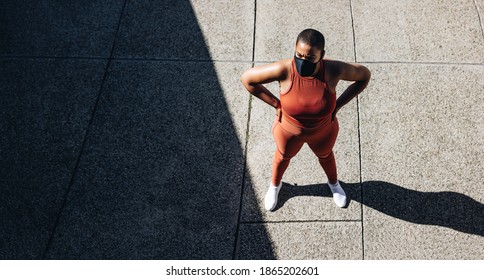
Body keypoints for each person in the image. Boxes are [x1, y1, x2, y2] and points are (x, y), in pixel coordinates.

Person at [240, 29, 371, 211]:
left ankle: (333, 184)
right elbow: (247, 79)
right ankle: (275, 186)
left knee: (326, 156)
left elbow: (364, 76)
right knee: (283, 156)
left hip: (323, 131)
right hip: (289, 131)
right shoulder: (284, 70)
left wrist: (338, 105)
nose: (303, 61)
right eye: (298, 55)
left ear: (321, 55)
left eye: (309, 58)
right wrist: (276, 104)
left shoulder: (333, 70)